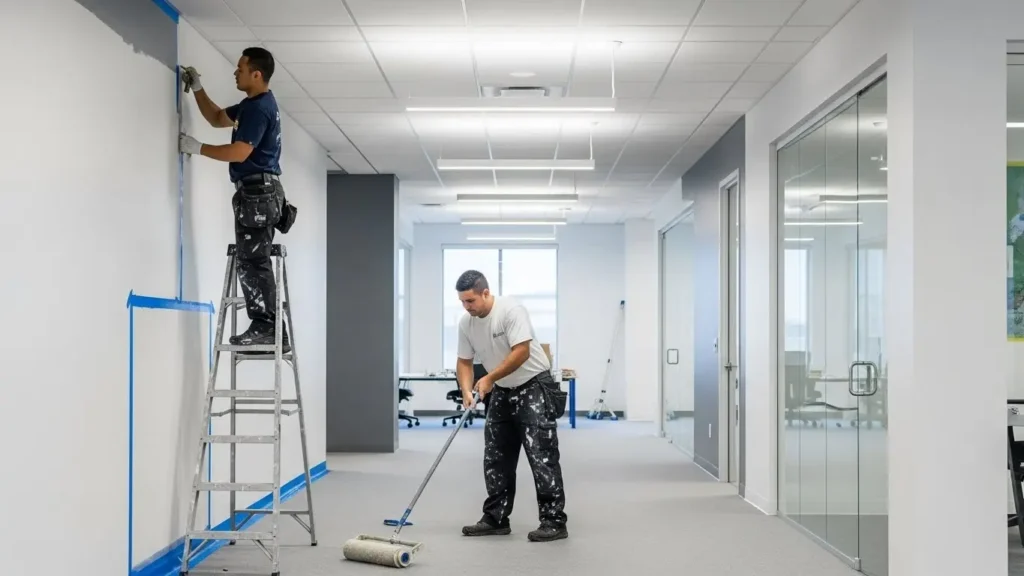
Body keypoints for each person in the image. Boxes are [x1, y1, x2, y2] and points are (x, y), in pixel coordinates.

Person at [177, 47, 295, 348]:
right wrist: (198, 88)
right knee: (252, 259)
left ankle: (267, 327)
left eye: (240, 68)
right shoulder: (250, 105)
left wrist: (198, 148)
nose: (235, 72)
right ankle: (270, 329)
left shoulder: (259, 109)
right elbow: (217, 118)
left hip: (258, 194)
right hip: (258, 193)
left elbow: (240, 152)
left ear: (257, 74)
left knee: (253, 261)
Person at [453, 270, 568, 542]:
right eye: (462, 302)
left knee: (541, 454)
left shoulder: (510, 311)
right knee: (496, 456)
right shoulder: (466, 323)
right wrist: (466, 390)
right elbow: (464, 361)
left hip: (533, 384)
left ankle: (553, 521)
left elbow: (521, 352)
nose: (466, 307)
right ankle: (496, 518)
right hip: (503, 389)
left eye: (470, 301)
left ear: (485, 293)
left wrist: (489, 378)